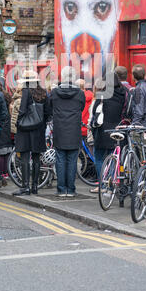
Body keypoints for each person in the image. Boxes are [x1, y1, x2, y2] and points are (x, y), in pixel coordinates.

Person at [13, 70, 50, 196]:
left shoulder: (26, 91)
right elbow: (47, 112)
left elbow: (22, 110)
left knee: (24, 158)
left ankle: (25, 187)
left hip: (25, 129)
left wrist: (18, 123)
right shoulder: (44, 92)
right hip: (39, 130)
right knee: (36, 158)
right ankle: (35, 186)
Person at [50, 66, 85, 197]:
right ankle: (70, 189)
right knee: (72, 160)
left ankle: (60, 189)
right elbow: (81, 108)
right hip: (74, 129)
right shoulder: (80, 93)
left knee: (60, 159)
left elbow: (50, 106)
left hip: (59, 128)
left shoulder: (54, 92)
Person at [89, 74, 126, 192]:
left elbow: (95, 113)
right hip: (118, 130)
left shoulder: (102, 96)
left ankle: (103, 185)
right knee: (114, 158)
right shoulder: (123, 95)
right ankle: (111, 185)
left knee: (99, 157)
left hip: (102, 131)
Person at [0, 81, 12, 177]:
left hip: (0, 125)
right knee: (7, 150)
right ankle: (7, 172)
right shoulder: (7, 96)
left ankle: (0, 173)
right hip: (7, 125)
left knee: (0, 151)